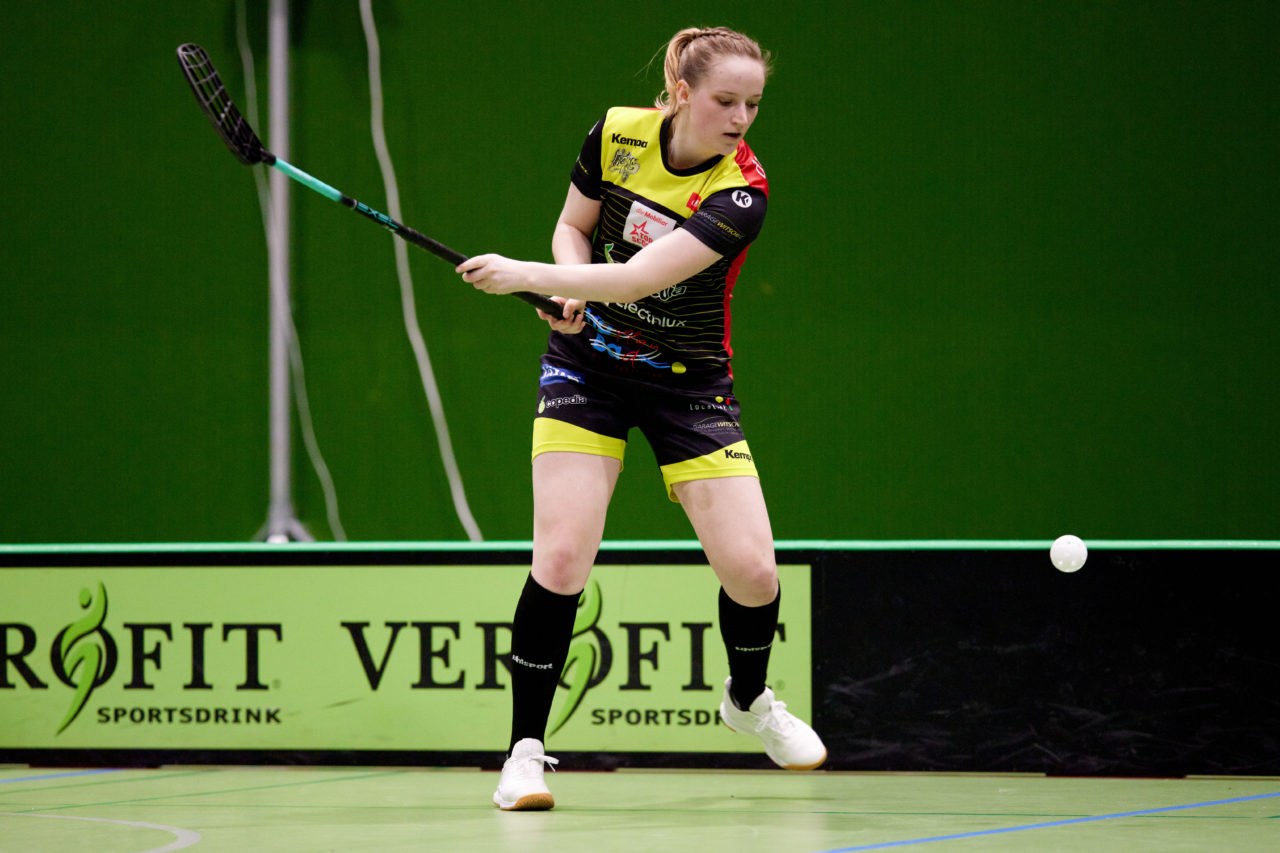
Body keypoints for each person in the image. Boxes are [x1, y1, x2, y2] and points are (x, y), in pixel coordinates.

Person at [457, 25, 825, 812]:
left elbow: (638, 278)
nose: (741, 118)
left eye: (753, 104)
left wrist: (526, 274)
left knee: (755, 572)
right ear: (683, 92)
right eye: (726, 100)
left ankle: (748, 701)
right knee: (559, 557)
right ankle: (523, 754)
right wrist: (565, 291)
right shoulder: (615, 133)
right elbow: (575, 227)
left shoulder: (740, 193)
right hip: (586, 369)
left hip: (689, 385)